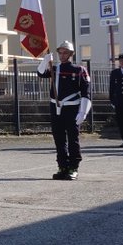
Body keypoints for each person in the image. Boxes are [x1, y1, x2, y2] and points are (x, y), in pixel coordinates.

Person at [37, 40, 92, 180]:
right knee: (59, 139)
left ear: (71, 54)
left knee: (73, 139)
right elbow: (40, 73)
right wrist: (45, 60)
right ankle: (62, 167)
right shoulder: (55, 69)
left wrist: (83, 112)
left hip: (72, 107)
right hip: (55, 107)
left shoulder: (79, 70)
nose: (62, 55)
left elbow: (86, 92)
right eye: (60, 53)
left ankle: (73, 167)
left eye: (65, 52)